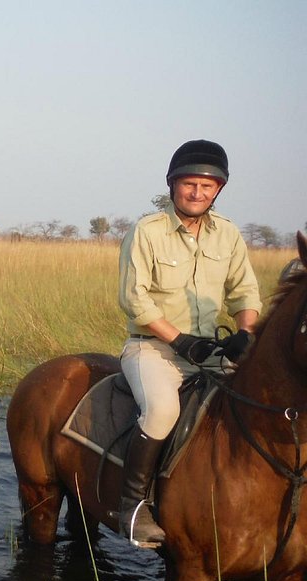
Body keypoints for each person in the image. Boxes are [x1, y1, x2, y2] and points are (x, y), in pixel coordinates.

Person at [116, 139, 262, 546]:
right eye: (189, 184)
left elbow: (245, 293)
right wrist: (180, 341)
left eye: (207, 186)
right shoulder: (147, 231)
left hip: (209, 353)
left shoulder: (229, 235)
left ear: (218, 190)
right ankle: (131, 505)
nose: (197, 193)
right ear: (172, 184)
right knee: (162, 410)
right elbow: (133, 298)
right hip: (153, 349)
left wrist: (246, 334)